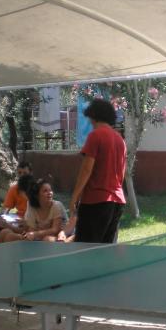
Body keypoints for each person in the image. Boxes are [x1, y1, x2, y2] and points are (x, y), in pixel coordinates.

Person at [69, 99, 126, 243]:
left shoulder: (95, 135)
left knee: (86, 248)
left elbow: (86, 169)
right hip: (117, 202)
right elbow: (122, 173)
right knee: (106, 249)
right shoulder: (120, 139)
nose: (90, 122)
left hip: (95, 201)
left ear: (93, 116)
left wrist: (75, 197)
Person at [0, 179, 67, 243]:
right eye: (45, 191)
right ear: (37, 195)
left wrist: (34, 234)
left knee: (47, 239)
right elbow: (31, 229)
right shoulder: (31, 206)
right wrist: (10, 227)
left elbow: (55, 230)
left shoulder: (56, 205)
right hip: (38, 237)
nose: (50, 193)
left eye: (50, 190)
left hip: (56, 237)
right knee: (4, 232)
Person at [0, 161, 33, 229]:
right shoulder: (14, 188)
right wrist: (3, 217)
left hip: (34, 219)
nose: (22, 175)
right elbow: (6, 207)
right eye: (19, 173)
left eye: (25, 173)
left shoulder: (37, 187)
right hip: (18, 218)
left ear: (31, 173)